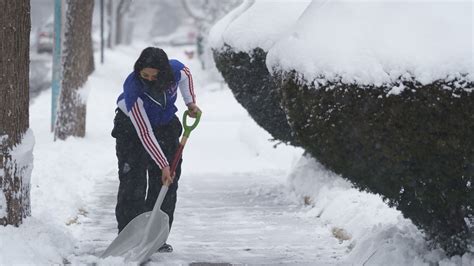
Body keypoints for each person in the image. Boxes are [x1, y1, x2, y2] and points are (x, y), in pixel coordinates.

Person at [111, 47, 201, 253]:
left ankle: (155, 237)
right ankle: (129, 236)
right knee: (133, 180)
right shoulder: (133, 88)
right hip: (132, 128)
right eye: (145, 75)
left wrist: (190, 102)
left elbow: (186, 74)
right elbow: (144, 133)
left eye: (155, 75)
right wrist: (163, 164)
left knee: (166, 182)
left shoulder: (174, 70)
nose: (150, 79)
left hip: (166, 123)